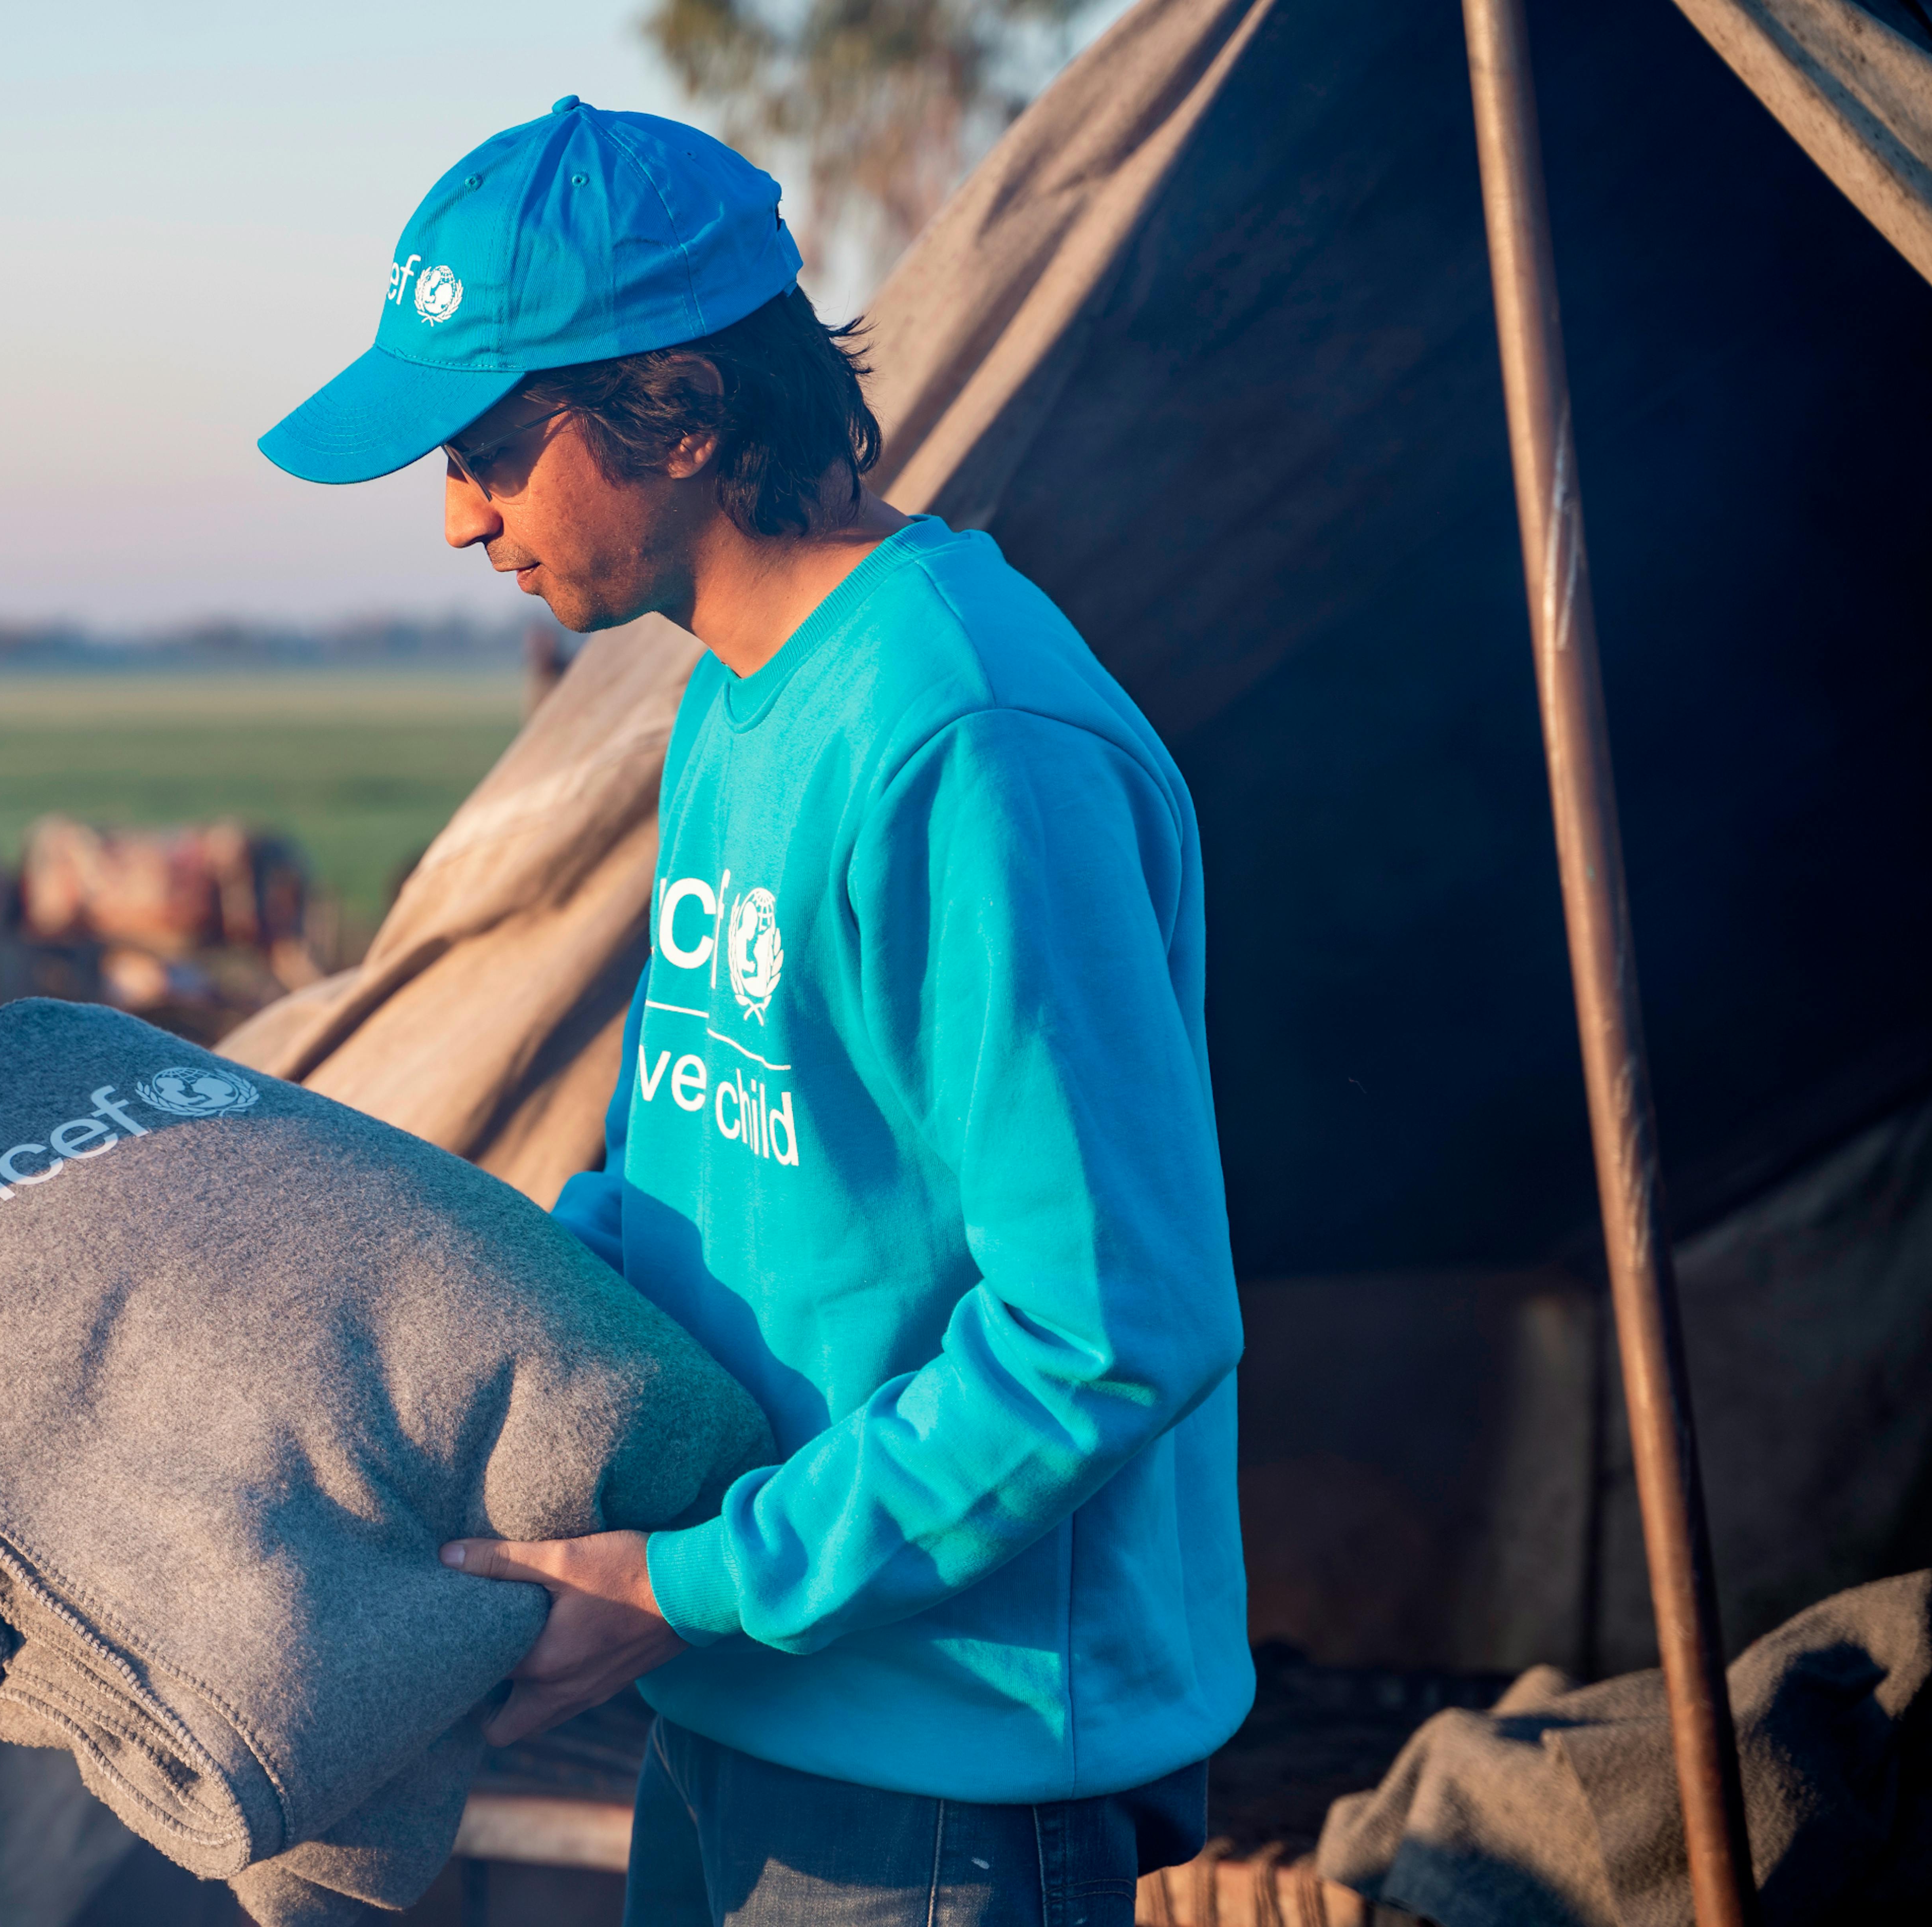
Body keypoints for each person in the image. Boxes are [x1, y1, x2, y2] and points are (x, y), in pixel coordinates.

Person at [260, 100, 1250, 1924]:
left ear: (686, 418)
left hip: (943, 1770)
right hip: (741, 1686)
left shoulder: (964, 737)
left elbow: (1104, 1330)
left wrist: (687, 1580)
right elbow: (677, 1176)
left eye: (488, 447)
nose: (458, 516)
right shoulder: (732, 687)